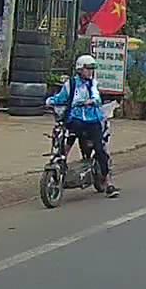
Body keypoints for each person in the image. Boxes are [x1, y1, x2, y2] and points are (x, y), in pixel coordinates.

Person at [46, 54, 118, 198]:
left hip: (93, 121)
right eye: (88, 68)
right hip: (75, 120)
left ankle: (108, 182)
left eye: (92, 69)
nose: (90, 71)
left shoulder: (93, 84)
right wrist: (49, 101)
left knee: (100, 149)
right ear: (80, 69)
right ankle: (60, 167)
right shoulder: (71, 84)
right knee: (63, 144)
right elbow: (61, 98)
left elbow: (96, 98)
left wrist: (91, 101)